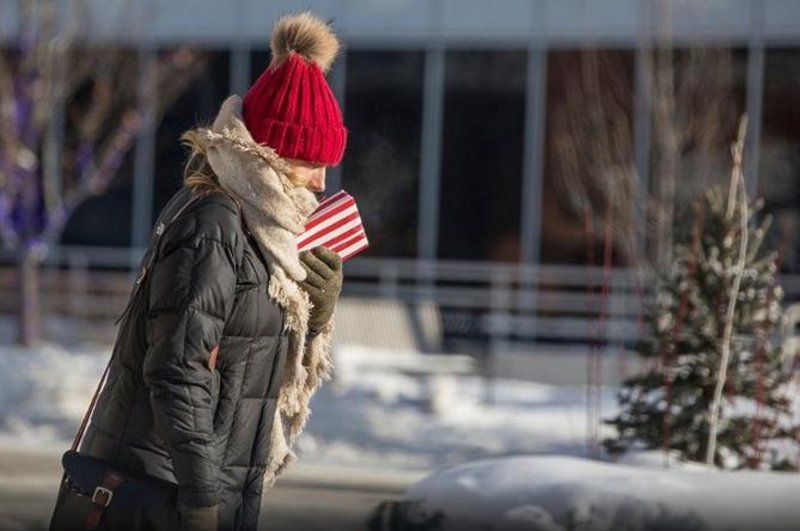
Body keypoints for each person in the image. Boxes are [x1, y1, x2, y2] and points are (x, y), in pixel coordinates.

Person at [75, 11, 348, 531]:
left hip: (215, 491)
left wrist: (316, 310)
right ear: (275, 156)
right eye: (313, 163)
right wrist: (203, 502)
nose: (319, 183)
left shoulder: (265, 237)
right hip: (163, 496)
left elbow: (254, 358)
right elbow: (177, 371)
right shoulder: (215, 225)